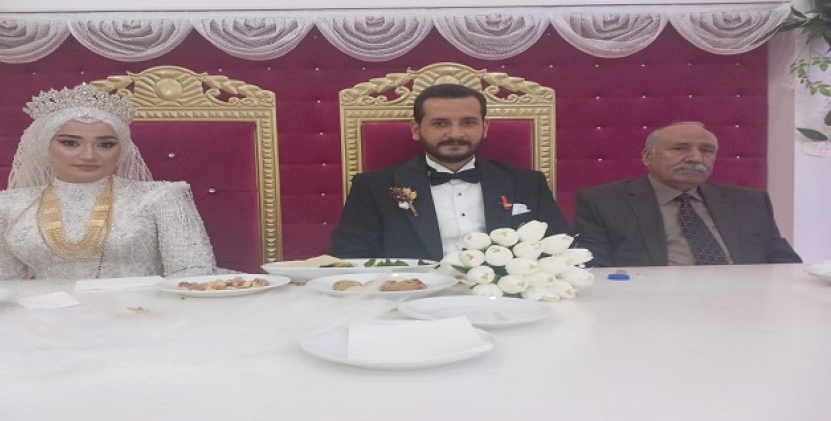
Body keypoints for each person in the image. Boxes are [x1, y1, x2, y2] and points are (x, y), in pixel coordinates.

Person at [0, 84, 218, 280]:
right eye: (70, 143)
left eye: (105, 144)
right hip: (45, 320)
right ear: (44, 146)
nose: (88, 155)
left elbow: (192, 275)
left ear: (121, 150)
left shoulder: (161, 198)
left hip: (141, 316)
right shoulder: (4, 205)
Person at [331, 83, 569, 260]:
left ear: (485, 127)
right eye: (440, 123)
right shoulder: (373, 187)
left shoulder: (528, 183)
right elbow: (351, 256)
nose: (455, 134)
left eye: (468, 122)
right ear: (416, 130)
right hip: (411, 298)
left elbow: (559, 248)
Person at [572, 121, 801, 267]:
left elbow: (785, 263)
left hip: (745, 304)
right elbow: (592, 269)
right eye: (680, 149)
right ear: (648, 157)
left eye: (706, 151)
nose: (695, 158)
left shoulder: (749, 201)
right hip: (651, 308)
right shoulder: (604, 203)